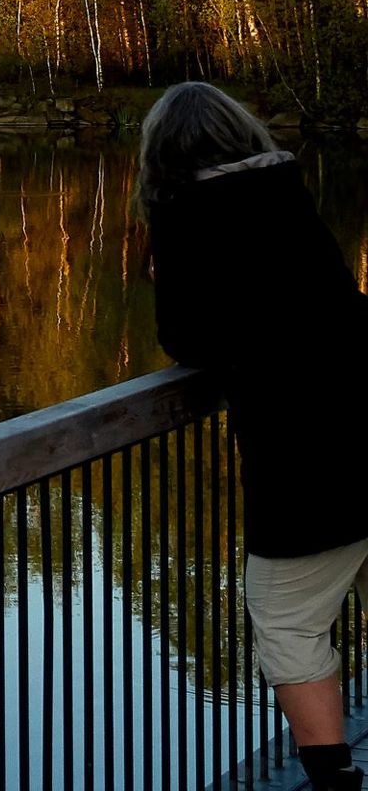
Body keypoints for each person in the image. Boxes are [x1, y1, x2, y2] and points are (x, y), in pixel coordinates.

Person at [142, 81, 368, 791]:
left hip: (308, 456)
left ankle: (332, 783)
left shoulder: (185, 218)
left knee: (288, 618)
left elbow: (188, 338)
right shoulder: (286, 192)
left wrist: (162, 274)